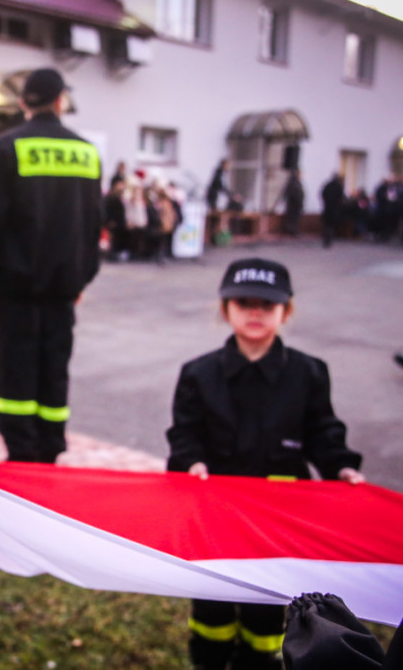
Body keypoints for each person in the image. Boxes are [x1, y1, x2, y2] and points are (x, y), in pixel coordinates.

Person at [166, 257, 366, 670]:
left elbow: (323, 433)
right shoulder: (197, 374)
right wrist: (191, 462)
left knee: (265, 610)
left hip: (278, 522)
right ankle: (208, 660)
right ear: (225, 310)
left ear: (286, 311)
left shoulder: (310, 373)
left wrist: (341, 467)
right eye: (244, 302)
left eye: (267, 304)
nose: (255, 312)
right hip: (215, 518)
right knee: (212, 604)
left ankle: (258, 663)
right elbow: (184, 435)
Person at [0, 68, 101, 463]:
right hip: (63, 292)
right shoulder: (86, 151)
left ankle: (21, 454)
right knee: (54, 372)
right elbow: (93, 224)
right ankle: (50, 450)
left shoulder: (7, 147)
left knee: (16, 375)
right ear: (60, 101)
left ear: (23, 103)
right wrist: (80, 278)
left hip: (16, 293)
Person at [103, 175, 129, 261]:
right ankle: (112, 254)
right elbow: (109, 209)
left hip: (119, 223)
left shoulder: (120, 196)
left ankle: (116, 253)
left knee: (118, 239)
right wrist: (110, 220)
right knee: (113, 240)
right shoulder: (111, 196)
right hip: (113, 222)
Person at [320, 172, 345, 248]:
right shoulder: (338, 186)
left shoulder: (328, 185)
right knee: (331, 225)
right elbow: (341, 197)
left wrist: (326, 202)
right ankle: (328, 240)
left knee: (327, 224)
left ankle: (326, 240)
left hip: (327, 208)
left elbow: (323, 194)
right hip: (334, 209)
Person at [281, 168, 305, 237]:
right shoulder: (294, 183)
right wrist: (297, 201)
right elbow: (294, 194)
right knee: (293, 218)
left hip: (295, 204)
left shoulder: (296, 182)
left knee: (295, 218)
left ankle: (293, 230)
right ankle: (292, 231)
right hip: (294, 204)